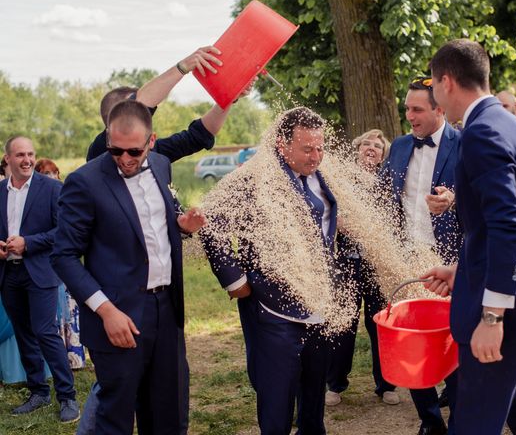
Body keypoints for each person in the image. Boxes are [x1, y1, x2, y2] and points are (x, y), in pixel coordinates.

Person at [424, 39, 516, 434]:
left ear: (447, 81)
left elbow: (509, 225)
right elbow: (503, 221)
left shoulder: (480, 132)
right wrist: (463, 268)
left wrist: (492, 315)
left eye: (433, 86)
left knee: (474, 420)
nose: (435, 96)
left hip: (508, 305)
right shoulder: (514, 126)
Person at [51, 100, 206, 435]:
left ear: (151, 142)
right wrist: (106, 311)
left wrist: (180, 226)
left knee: (169, 412)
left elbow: (146, 230)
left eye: (134, 152)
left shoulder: (162, 164)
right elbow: (63, 255)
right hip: (117, 316)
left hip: (167, 310)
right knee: (116, 417)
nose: (124, 160)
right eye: (115, 150)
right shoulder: (84, 182)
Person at [202, 107, 337, 434]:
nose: (316, 156)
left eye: (320, 148)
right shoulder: (250, 177)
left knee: (314, 395)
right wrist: (236, 280)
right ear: (281, 144)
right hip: (272, 309)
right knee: (277, 401)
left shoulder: (321, 174)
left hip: (319, 304)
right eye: (307, 149)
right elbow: (211, 225)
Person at [381, 77, 463, 435]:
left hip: (452, 263)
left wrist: (454, 198)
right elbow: (384, 196)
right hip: (408, 259)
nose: (409, 115)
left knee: (454, 339)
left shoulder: (465, 144)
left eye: (416, 109)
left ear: (439, 109)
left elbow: (484, 194)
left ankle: (461, 419)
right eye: (407, 109)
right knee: (411, 343)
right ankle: (430, 420)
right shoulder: (398, 146)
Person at [0, 136, 79, 422]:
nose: (27, 160)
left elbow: (63, 231)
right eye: (20, 154)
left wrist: (28, 243)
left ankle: (67, 396)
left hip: (40, 272)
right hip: (9, 273)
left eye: (31, 154)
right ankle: (38, 392)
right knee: (24, 334)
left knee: (45, 332)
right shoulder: (0, 191)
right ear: (7, 158)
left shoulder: (52, 188)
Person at [325, 129, 399, 407]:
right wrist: (339, 222)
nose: (371, 148)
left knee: (380, 322)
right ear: (357, 150)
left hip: (376, 264)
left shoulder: (387, 183)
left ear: (383, 155)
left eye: (377, 146)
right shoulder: (341, 180)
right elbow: (327, 213)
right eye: (366, 144)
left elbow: (395, 221)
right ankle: (335, 384)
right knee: (343, 323)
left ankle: (387, 384)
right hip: (345, 261)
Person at [86, 45, 229, 162]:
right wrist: (183, 67)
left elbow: (198, 136)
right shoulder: (99, 154)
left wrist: (228, 97)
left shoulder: (151, 153)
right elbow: (139, 106)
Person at [33, 158, 86, 370]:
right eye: (45, 173)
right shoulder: (36, 196)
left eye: (53, 172)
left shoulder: (65, 193)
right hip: (45, 261)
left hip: (66, 259)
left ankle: (74, 357)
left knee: (70, 310)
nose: (51, 176)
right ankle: (54, 359)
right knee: (52, 314)